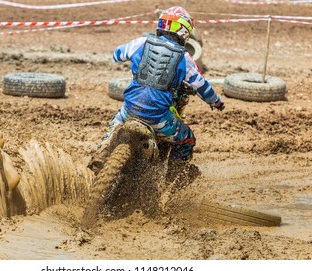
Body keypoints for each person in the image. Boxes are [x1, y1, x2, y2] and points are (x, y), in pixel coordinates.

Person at [89, 6, 224, 174]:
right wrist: (216, 102)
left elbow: (117, 54)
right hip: (158, 117)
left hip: (130, 109)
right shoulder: (185, 57)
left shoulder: (141, 42)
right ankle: (174, 178)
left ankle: (101, 153)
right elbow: (202, 86)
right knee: (187, 139)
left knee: (117, 120)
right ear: (183, 31)